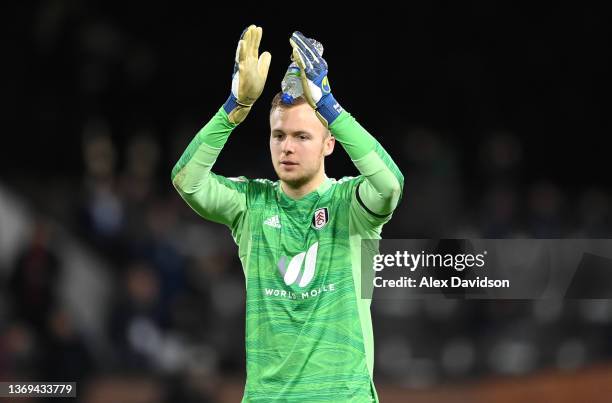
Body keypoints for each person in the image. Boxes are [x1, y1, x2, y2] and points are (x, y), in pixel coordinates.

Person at [172, 25, 404, 402]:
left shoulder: (351, 205)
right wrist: (234, 108)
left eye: (302, 136)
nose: (287, 148)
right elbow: (187, 181)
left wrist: (329, 107)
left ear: (329, 143)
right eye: (279, 136)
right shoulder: (251, 203)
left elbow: (390, 185)